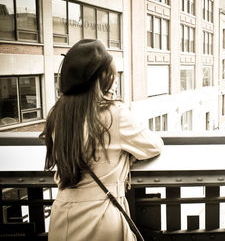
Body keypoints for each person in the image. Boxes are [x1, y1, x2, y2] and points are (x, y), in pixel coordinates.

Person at [40, 39, 163, 241]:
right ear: (99, 80)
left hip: (63, 217)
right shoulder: (114, 114)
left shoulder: (57, 115)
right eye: (111, 76)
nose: (114, 82)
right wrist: (126, 156)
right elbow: (154, 146)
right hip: (102, 217)